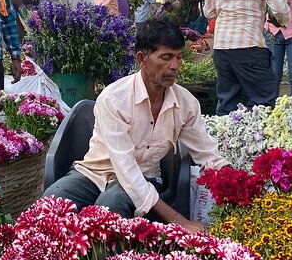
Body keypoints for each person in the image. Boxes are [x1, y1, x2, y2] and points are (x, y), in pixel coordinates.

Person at [42, 17, 229, 232]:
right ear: (142, 59)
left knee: (110, 207)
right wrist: (181, 223)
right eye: (166, 57)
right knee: (50, 203)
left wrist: (235, 180)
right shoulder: (114, 98)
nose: (175, 66)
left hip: (145, 177)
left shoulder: (186, 103)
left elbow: (206, 153)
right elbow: (126, 169)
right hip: (95, 173)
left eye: (178, 57)